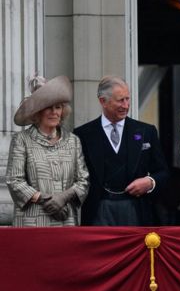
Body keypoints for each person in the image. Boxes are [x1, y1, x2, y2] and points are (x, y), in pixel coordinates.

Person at [74, 75, 169, 226]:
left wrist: (150, 182)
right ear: (102, 101)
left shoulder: (146, 131)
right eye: (120, 100)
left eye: (127, 99)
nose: (126, 105)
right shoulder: (82, 134)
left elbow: (163, 172)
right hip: (97, 212)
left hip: (136, 210)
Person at [6, 75, 90, 226]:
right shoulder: (22, 140)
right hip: (32, 223)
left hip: (66, 221)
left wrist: (63, 198)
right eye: (48, 107)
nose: (54, 112)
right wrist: (44, 198)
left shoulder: (73, 141)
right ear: (37, 112)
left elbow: (83, 181)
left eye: (57, 107)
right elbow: (15, 180)